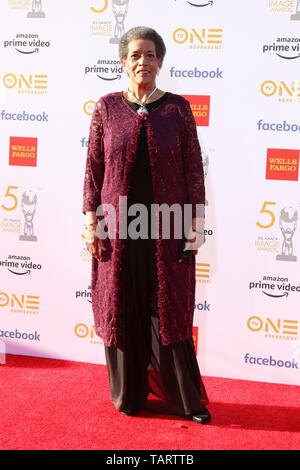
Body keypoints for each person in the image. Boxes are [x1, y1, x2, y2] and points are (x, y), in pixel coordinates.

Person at [82, 26, 210, 424]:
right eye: (135, 55)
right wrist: (91, 219)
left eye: (151, 55)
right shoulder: (105, 108)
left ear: (160, 61)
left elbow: (193, 170)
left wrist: (197, 221)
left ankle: (186, 400)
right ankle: (129, 394)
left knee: (168, 307)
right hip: (118, 229)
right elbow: (93, 170)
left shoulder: (178, 110)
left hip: (166, 227)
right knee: (123, 303)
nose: (143, 62)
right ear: (123, 61)